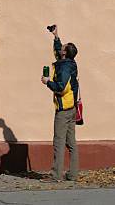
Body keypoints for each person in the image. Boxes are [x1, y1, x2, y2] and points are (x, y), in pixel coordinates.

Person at [41, 25, 79, 182]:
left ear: (65, 53)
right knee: (71, 144)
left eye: (62, 47)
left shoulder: (63, 68)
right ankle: (73, 174)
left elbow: (61, 87)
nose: (60, 48)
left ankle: (56, 175)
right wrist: (56, 37)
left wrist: (48, 82)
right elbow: (58, 51)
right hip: (72, 108)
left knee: (58, 142)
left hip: (63, 110)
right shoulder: (70, 63)